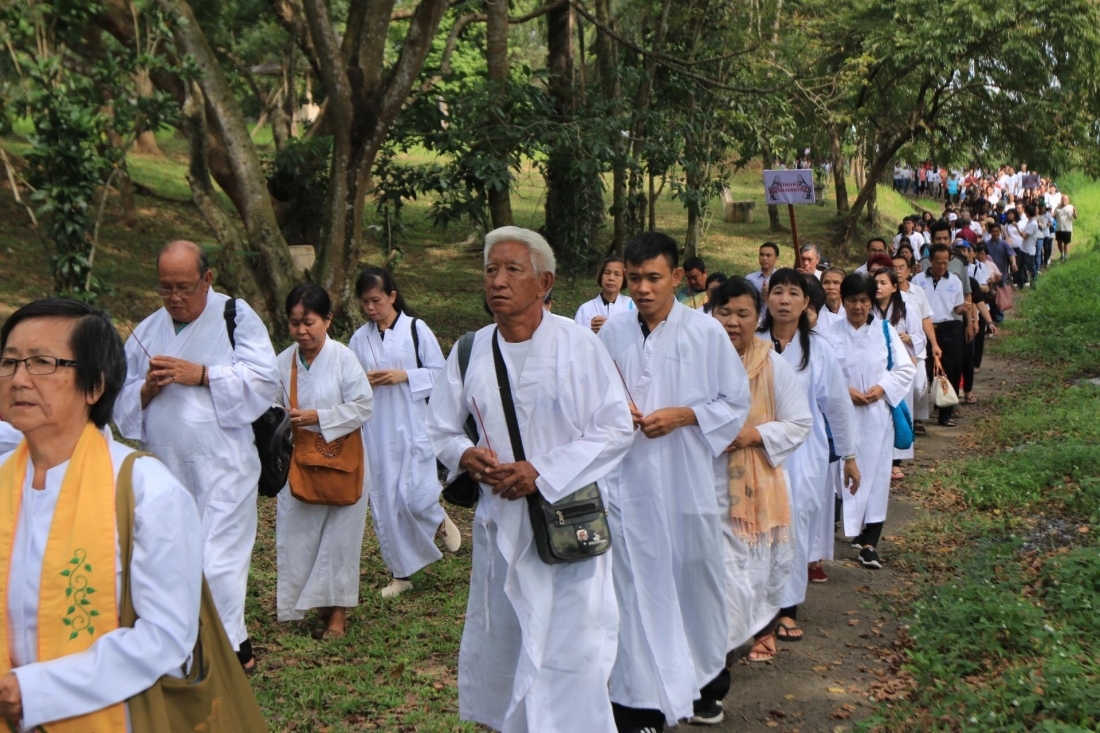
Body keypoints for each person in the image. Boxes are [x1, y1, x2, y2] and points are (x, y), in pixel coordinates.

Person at [426, 226, 634, 733]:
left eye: (512, 270)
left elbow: (616, 428)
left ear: (544, 282)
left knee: (571, 652)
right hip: (501, 525)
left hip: (566, 527)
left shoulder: (578, 345)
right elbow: (439, 427)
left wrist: (541, 470)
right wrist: (466, 454)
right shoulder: (471, 350)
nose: (497, 280)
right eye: (491, 270)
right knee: (507, 642)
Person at [0, 298, 203, 730]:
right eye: (9, 362)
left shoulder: (144, 490)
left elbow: (167, 636)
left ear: (95, 386)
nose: (18, 379)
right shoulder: (3, 479)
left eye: (41, 363)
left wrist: (38, 691)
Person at [599, 232, 750, 731]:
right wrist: (620, 412)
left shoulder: (705, 334)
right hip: (624, 483)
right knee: (631, 587)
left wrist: (684, 416)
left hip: (684, 481)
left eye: (653, 278)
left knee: (691, 582)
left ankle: (703, 682)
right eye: (634, 278)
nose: (642, 288)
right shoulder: (613, 334)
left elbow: (734, 403)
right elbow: (595, 398)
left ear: (678, 279)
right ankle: (638, 700)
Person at [114, 240, 279, 671]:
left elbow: (265, 380)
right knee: (174, 560)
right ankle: (225, 647)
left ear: (207, 279)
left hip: (225, 465)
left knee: (218, 564)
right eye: (165, 288)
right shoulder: (148, 329)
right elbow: (120, 402)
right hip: (165, 468)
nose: (174, 298)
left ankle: (215, 657)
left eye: (184, 288)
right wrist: (147, 389)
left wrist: (202, 374)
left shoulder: (234, 316)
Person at [709, 277, 813, 666]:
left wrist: (752, 435)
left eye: (743, 314)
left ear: (758, 318)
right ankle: (712, 654)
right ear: (710, 314)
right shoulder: (693, 362)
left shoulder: (772, 365)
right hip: (699, 484)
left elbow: (799, 422)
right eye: (724, 312)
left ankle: (741, 639)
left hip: (752, 493)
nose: (733, 322)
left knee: (746, 573)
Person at [757, 270, 856, 642]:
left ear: (805, 303)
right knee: (756, 529)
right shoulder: (752, 344)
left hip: (803, 456)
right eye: (777, 291)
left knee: (793, 530)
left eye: (793, 293)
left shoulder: (819, 349)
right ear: (767, 299)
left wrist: (849, 454)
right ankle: (756, 612)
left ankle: (787, 609)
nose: (784, 299)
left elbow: (837, 407)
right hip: (758, 451)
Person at [349, 267, 460, 598]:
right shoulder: (359, 338)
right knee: (385, 501)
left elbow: (440, 374)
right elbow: (350, 380)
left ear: (392, 297)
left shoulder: (415, 329)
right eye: (365, 302)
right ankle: (401, 573)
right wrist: (362, 381)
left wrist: (405, 376)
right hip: (376, 428)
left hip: (412, 423)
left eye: (376, 300)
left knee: (416, 492)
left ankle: (436, 517)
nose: (371, 308)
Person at [275, 284, 374, 637]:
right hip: (299, 462)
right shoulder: (282, 362)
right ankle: (312, 603)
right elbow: (269, 411)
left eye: (310, 322)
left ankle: (338, 617)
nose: (302, 331)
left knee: (340, 541)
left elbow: (364, 406)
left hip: (343, 463)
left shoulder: (344, 358)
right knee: (299, 535)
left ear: (328, 320)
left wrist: (318, 416)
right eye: (294, 323)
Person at [826, 274, 915, 570]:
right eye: (851, 300)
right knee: (840, 476)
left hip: (877, 417)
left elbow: (904, 369)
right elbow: (822, 374)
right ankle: (836, 529)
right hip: (843, 416)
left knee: (876, 478)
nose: (857, 306)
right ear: (843, 299)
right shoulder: (829, 335)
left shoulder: (885, 332)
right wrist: (843, 391)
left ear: (871, 301)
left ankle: (869, 543)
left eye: (864, 300)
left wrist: (882, 388)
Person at [872, 268, 925, 481]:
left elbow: (921, 336)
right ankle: (876, 458)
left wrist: (908, 338)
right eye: (875, 282)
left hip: (901, 368)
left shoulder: (906, 310)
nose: (878, 287)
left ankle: (896, 461)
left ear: (894, 287)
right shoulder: (868, 309)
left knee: (899, 414)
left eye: (883, 283)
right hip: (877, 369)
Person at [911, 244, 967, 427]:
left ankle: (945, 413)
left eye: (945, 262)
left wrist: (963, 309)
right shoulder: (918, 280)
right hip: (924, 328)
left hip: (948, 327)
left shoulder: (955, 281)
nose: (942, 266)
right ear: (930, 261)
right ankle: (923, 411)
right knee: (926, 370)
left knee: (950, 368)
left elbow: (956, 308)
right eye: (938, 262)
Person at [575, 256, 635, 334]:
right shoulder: (585, 309)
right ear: (601, 276)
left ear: (624, 278)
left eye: (617, 274)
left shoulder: (632, 306)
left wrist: (609, 325)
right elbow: (577, 338)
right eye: (607, 273)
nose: (611, 278)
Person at [1054, 193, 1077, 262]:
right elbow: (1054, 215)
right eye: (1063, 199)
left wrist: (1075, 211)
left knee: (1065, 243)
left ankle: (1065, 256)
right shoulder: (1058, 207)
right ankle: (1062, 254)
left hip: (1067, 228)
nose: (1064, 200)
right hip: (1059, 228)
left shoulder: (1071, 207)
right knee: (1059, 242)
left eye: (1065, 199)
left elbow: (1075, 217)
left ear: (1068, 200)